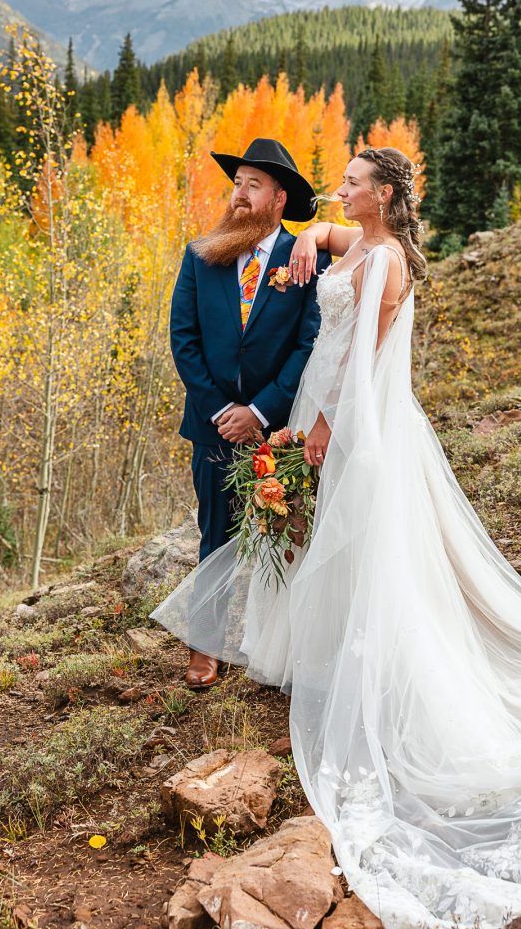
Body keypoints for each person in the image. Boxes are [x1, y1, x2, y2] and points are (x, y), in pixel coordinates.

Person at [154, 146, 521, 928]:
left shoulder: (387, 263)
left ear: (381, 194)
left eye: (350, 184)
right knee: (327, 545)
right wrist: (314, 240)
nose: (337, 192)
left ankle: (379, 665)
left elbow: (356, 356)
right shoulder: (366, 242)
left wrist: (315, 428)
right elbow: (333, 250)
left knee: (371, 551)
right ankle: (325, 645)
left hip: (359, 425)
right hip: (332, 413)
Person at [169, 137, 330, 689]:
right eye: (236, 184)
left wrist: (260, 412)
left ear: (279, 198)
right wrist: (222, 412)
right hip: (212, 426)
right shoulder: (201, 255)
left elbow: (310, 342)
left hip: (281, 427)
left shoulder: (306, 257)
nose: (239, 194)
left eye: (252, 185)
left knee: (287, 533)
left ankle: (283, 645)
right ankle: (206, 646)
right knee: (215, 533)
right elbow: (183, 340)